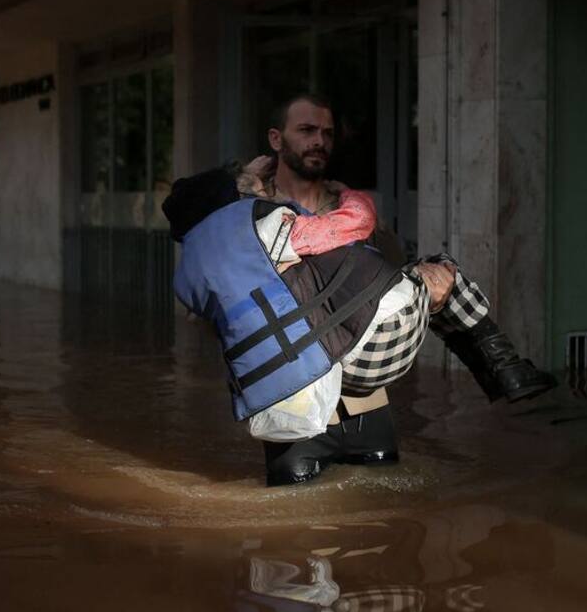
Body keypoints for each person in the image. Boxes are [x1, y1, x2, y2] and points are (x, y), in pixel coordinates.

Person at [163, 94, 555, 486]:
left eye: (327, 133)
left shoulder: (343, 208)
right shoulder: (245, 222)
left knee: (383, 510)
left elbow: (390, 280)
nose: (319, 141)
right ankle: (507, 370)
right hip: (303, 412)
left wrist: (430, 286)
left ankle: (505, 371)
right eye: (306, 130)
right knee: (295, 520)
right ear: (276, 140)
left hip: (367, 409)